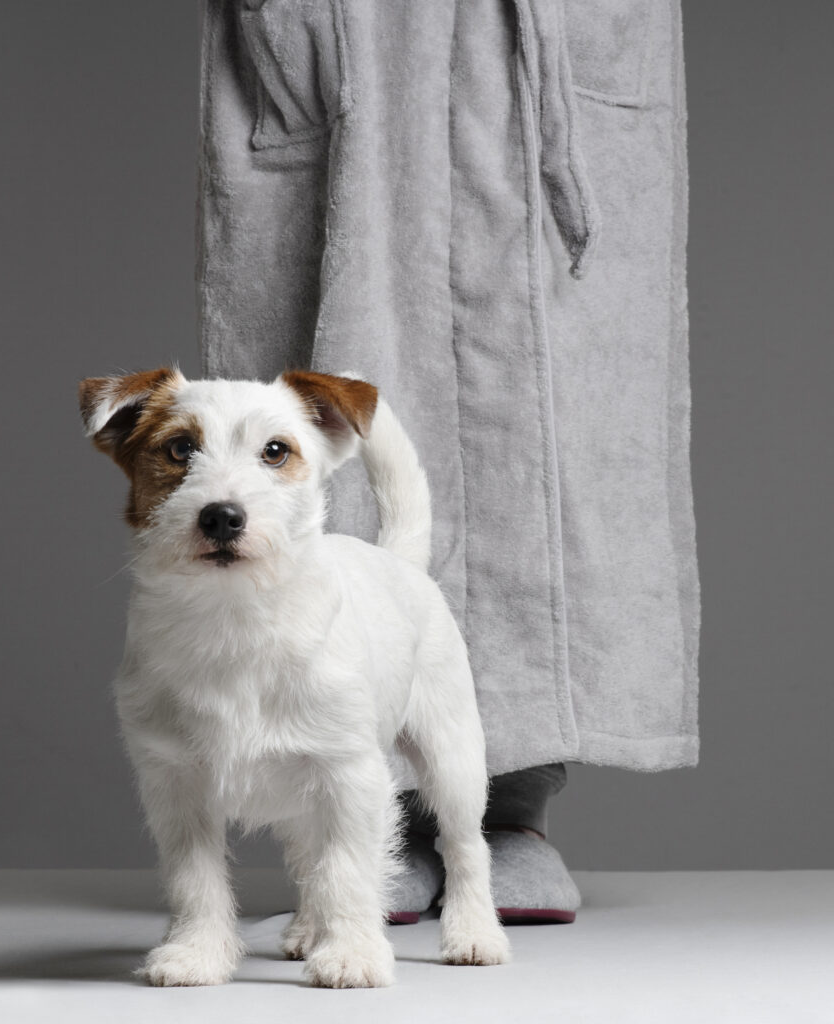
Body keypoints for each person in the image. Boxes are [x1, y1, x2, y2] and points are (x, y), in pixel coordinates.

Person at [196, 0, 699, 921]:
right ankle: (358, 814)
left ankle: (511, 812)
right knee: (320, 409)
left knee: (558, 441)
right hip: (353, 35)